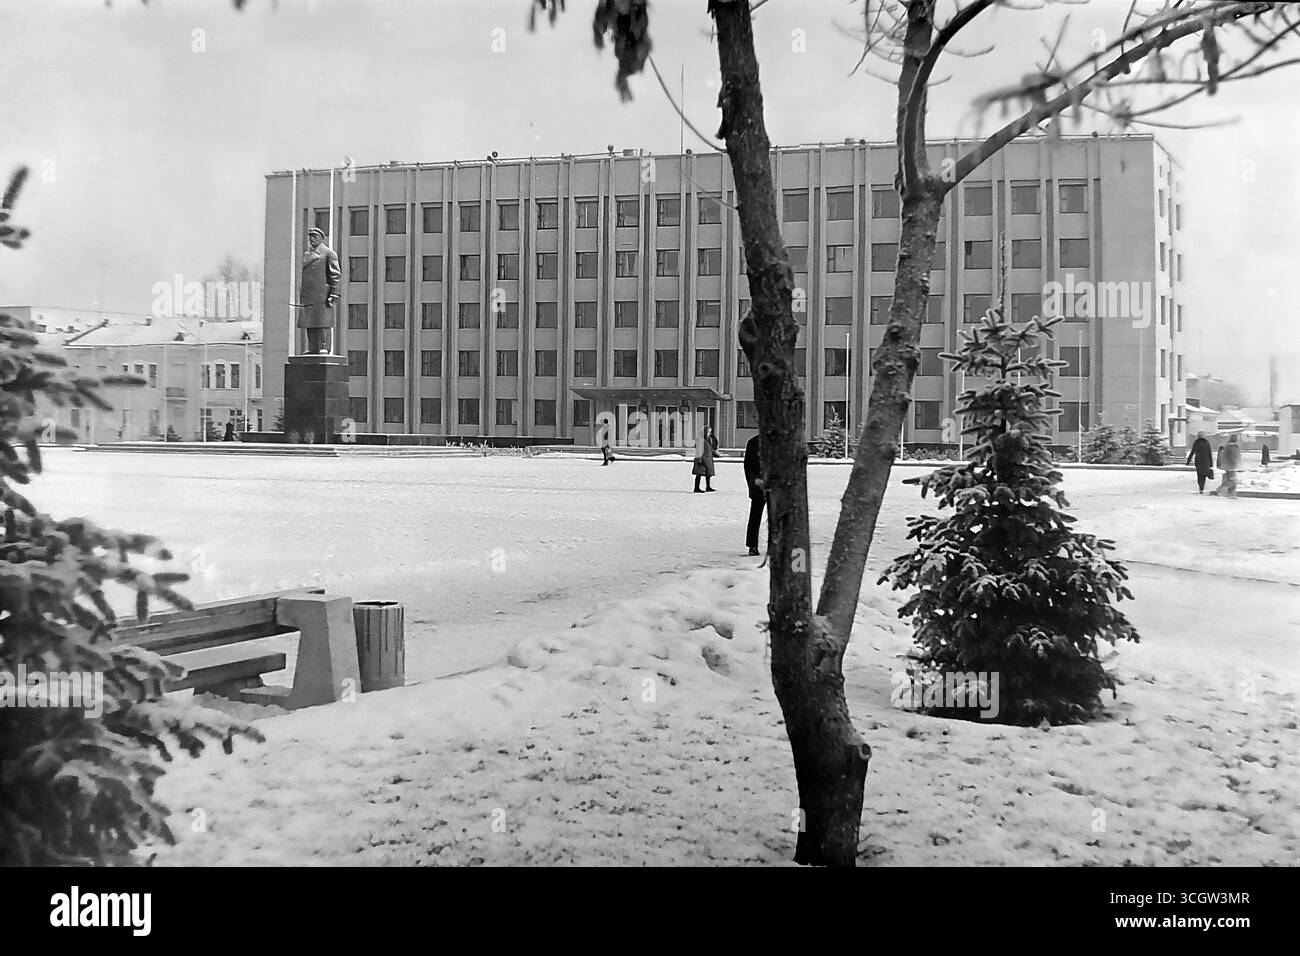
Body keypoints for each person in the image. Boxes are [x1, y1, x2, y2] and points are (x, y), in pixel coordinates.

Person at [298, 227, 340, 354]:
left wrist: (334, 293)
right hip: (308, 294)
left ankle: (324, 346)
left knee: (323, 322)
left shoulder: (328, 253)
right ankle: (312, 347)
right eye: (310, 236)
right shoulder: (306, 255)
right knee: (309, 321)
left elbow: (335, 275)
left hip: (322, 293)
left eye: (314, 236)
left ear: (321, 238)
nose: (311, 239)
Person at [743, 433, 765, 555]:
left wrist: (751, 484)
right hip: (774, 485)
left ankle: (752, 545)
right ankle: (775, 545)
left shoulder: (753, 442)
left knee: (755, 517)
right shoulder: (777, 442)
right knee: (775, 517)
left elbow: (747, 466)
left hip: (757, 484)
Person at [1213, 433, 1242, 498]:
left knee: (1231, 480)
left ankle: (1230, 493)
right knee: (1232, 481)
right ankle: (1222, 490)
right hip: (1230, 466)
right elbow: (1232, 456)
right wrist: (1234, 462)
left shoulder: (1230, 445)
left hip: (1231, 466)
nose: (1237, 439)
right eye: (1236, 438)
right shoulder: (1231, 446)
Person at [692, 425, 718, 492]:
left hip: (708, 458)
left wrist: (714, 453)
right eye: (708, 431)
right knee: (699, 474)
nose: (710, 433)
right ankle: (696, 488)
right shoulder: (700, 439)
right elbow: (699, 450)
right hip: (702, 459)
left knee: (708, 474)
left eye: (710, 431)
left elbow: (710, 448)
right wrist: (699, 460)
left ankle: (708, 487)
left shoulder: (708, 439)